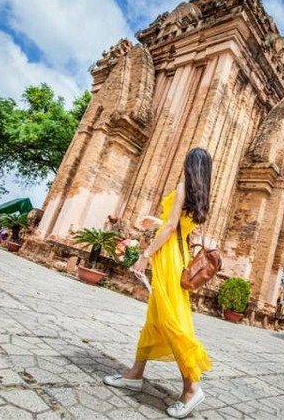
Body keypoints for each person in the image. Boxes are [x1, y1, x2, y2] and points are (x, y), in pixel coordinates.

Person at [103, 147, 213, 418]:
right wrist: (157, 221)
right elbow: (177, 226)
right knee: (156, 317)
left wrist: (145, 254)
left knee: (171, 321)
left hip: (169, 260)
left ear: (190, 165)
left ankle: (191, 387)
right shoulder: (201, 195)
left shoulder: (184, 186)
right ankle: (135, 374)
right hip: (178, 256)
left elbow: (169, 228)